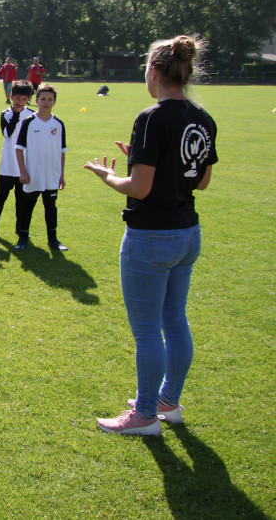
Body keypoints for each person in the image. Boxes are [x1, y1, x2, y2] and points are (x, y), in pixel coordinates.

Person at [85, 35, 217, 437]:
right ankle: (167, 402)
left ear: (153, 72)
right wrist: (145, 159)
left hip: (151, 237)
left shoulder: (152, 117)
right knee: (175, 321)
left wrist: (109, 176)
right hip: (187, 232)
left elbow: (139, 188)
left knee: (147, 332)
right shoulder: (202, 118)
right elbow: (200, 180)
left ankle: (144, 415)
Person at [14, 83, 67, 251]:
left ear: (54, 102)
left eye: (50, 99)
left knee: (51, 207)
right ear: (36, 100)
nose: (46, 102)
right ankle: (23, 237)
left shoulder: (58, 124)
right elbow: (19, 149)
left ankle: (53, 239)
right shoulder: (29, 122)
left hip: (52, 175)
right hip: (33, 174)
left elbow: (62, 151)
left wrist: (61, 175)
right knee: (27, 206)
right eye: (43, 99)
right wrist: (23, 172)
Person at [0, 80, 34, 240]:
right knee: (1, 197)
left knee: (21, 200)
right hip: (7, 164)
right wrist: (16, 115)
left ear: (29, 99)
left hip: (23, 166)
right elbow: (7, 134)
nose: (20, 102)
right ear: (12, 97)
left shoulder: (32, 116)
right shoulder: (5, 113)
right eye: (17, 98)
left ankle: (20, 229)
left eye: (24, 99)